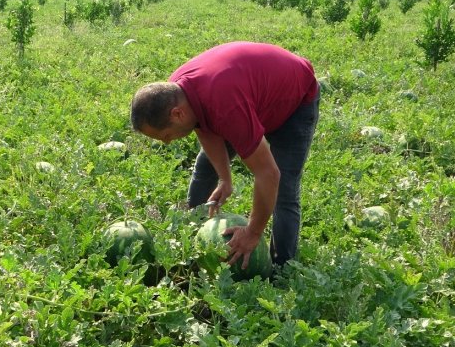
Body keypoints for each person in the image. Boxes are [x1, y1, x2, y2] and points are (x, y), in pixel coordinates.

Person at [130, 41, 320, 270]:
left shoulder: (225, 106)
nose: (168, 142)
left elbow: (268, 174)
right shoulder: (178, 91)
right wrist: (225, 178)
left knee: (285, 189)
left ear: (177, 113)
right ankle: (193, 236)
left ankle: (282, 270)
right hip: (251, 99)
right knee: (205, 166)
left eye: (166, 135)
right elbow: (205, 131)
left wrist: (252, 232)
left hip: (294, 101)